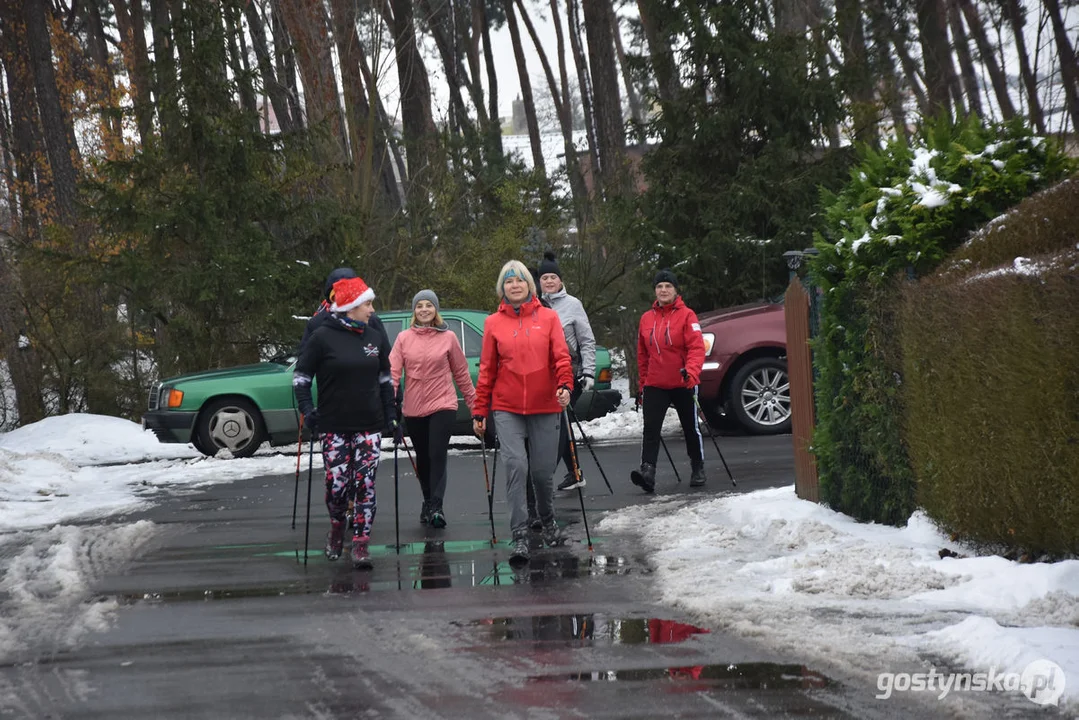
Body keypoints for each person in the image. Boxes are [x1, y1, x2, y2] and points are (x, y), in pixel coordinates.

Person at [472, 260, 575, 564]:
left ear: (530, 285)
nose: (514, 285)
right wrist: (480, 410)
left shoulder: (549, 318)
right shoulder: (493, 323)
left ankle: (547, 520)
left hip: (546, 404)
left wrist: (565, 385)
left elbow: (561, 357)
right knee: (516, 467)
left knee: (542, 473)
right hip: (507, 407)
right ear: (502, 288)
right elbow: (488, 369)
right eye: (508, 281)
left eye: (519, 280)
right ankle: (519, 534)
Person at [293, 276, 399, 569]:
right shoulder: (321, 337)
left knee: (365, 484)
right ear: (351, 306)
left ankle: (361, 543)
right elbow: (301, 377)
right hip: (333, 425)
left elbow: (385, 378)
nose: (371, 309)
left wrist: (391, 414)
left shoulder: (374, 336)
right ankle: (338, 526)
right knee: (337, 487)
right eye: (367, 303)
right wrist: (308, 410)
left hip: (369, 423)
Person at [389, 289, 477, 529]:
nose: (424, 309)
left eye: (429, 305)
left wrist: (474, 404)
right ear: (414, 311)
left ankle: (437, 506)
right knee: (424, 458)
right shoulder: (403, 338)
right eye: (420, 306)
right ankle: (427, 501)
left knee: (437, 454)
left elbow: (460, 372)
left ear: (436, 310)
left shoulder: (448, 337)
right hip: (414, 408)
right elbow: (394, 372)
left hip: (443, 404)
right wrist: (389, 402)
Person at [631, 269, 707, 492]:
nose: (663, 290)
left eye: (668, 286)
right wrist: (642, 385)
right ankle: (648, 471)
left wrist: (692, 372)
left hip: (683, 380)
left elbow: (696, 347)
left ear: (675, 290)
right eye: (659, 287)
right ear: (655, 291)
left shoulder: (687, 316)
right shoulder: (646, 318)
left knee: (690, 428)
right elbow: (642, 354)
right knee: (651, 428)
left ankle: (697, 466)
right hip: (656, 382)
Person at [536, 251, 597, 492]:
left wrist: (589, 372)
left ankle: (550, 474)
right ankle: (574, 472)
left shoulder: (573, 305)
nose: (549, 281)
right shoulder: (535, 305)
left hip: (570, 371)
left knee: (559, 423)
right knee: (560, 422)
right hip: (544, 374)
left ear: (560, 280)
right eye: (544, 278)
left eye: (553, 277)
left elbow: (587, 340)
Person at [299, 267, 388, 356]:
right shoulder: (317, 323)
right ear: (332, 297)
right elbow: (304, 360)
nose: (344, 297)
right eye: (340, 293)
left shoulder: (371, 321)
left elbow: (386, 357)